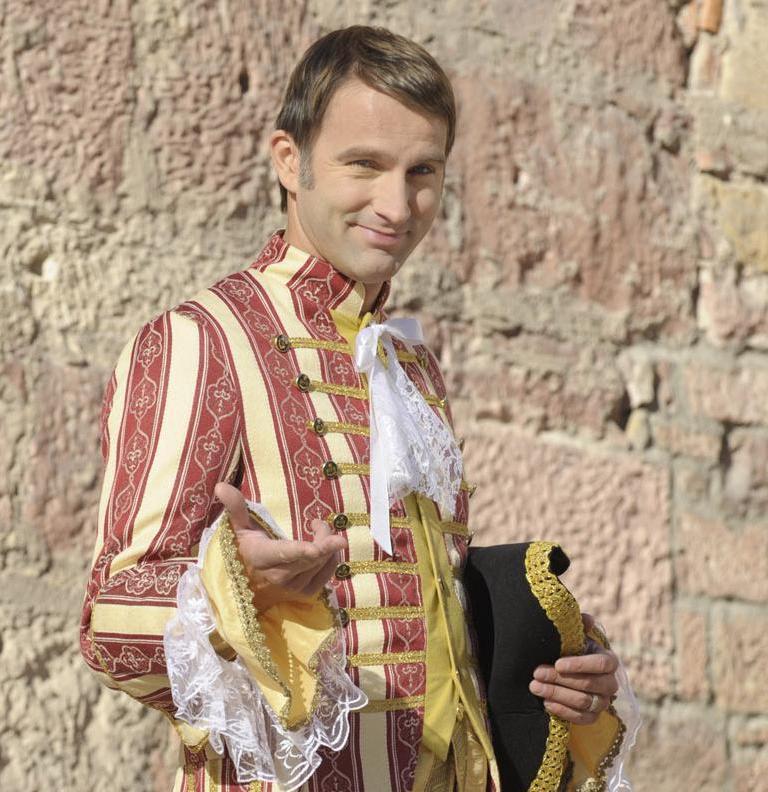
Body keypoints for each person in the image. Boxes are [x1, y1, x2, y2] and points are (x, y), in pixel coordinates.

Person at [80, 25, 627, 792]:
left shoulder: (410, 366)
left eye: (423, 171)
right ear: (288, 161)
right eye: (364, 165)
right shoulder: (201, 339)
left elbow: (421, 606)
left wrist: (558, 661)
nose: (398, 205)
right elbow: (109, 617)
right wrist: (234, 597)